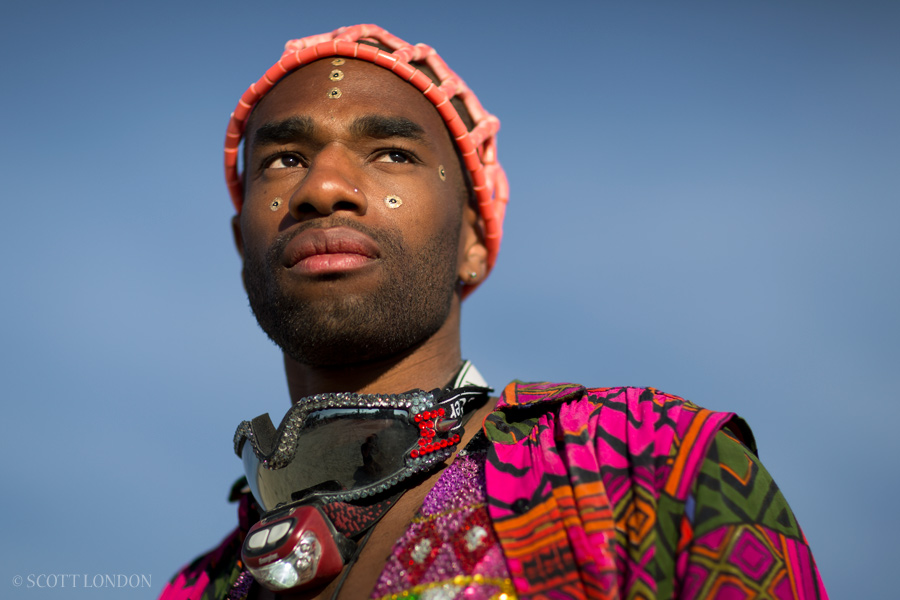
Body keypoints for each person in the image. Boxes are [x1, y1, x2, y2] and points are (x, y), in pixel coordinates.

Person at [160, 24, 827, 600]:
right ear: (242, 241)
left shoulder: (648, 467)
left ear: (475, 240)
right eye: (284, 159)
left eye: (392, 152)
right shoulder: (198, 587)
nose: (324, 187)